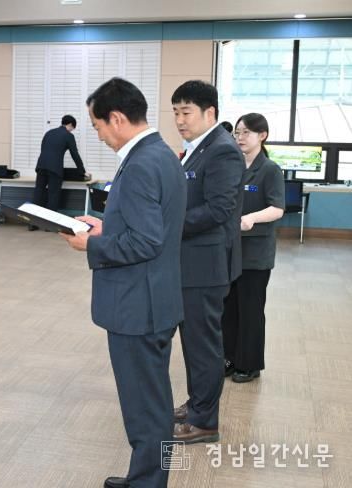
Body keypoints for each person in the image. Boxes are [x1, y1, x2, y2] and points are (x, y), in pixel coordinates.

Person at [62, 78, 186, 488]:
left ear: (116, 118)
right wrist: (106, 226)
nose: (98, 135)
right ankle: (147, 476)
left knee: (145, 406)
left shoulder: (141, 163)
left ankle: (149, 482)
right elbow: (153, 225)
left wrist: (91, 245)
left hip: (138, 306)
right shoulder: (161, 154)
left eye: (97, 126)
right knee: (153, 401)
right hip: (156, 298)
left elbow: (146, 241)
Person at [171, 80, 245, 443]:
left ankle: (204, 421)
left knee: (203, 345)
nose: (179, 120)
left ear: (209, 112)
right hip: (192, 263)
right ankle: (197, 403)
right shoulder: (199, 148)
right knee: (194, 342)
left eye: (186, 112)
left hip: (206, 266)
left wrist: (167, 225)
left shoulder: (222, 150)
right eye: (175, 113)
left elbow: (218, 210)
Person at [222, 113, 285, 383]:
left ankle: (249, 364)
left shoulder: (269, 169)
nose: (240, 137)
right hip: (230, 249)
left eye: (246, 132)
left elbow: (277, 209)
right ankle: (229, 357)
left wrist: (251, 218)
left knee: (250, 309)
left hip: (255, 254)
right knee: (228, 307)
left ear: (262, 136)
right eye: (237, 132)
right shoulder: (233, 166)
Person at [32, 114, 86, 224]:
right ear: (70, 124)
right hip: (55, 169)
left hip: (41, 166)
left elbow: (43, 150)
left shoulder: (49, 133)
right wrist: (82, 171)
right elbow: (74, 154)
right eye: (72, 128)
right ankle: (49, 224)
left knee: (38, 193)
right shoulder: (68, 135)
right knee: (53, 195)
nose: (72, 130)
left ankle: (32, 223)